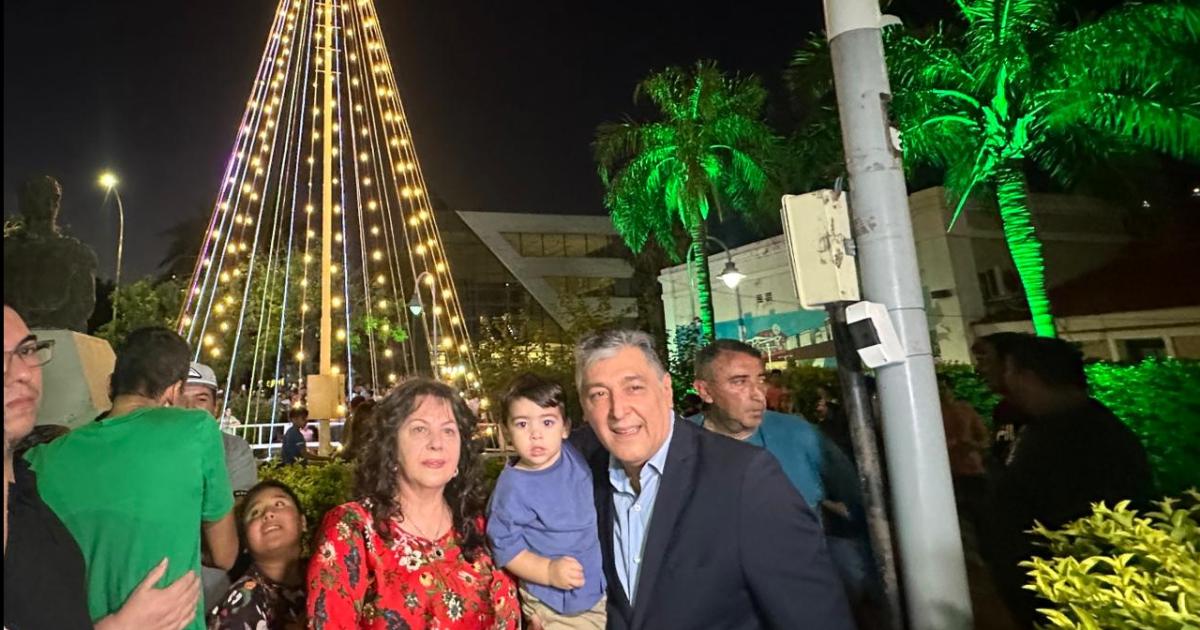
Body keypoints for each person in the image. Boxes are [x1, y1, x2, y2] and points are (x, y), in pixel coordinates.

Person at [569, 329, 852, 629]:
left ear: (666, 390)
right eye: (599, 394)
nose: (619, 410)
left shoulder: (746, 479)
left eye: (634, 388)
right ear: (585, 408)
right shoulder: (581, 473)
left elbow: (815, 617)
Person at [25, 326, 239, 630]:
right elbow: (225, 554)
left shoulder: (41, 460)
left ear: (110, 385)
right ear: (174, 392)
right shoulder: (195, 430)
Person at [306, 378, 519, 628]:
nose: (437, 443)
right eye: (420, 429)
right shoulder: (353, 529)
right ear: (391, 447)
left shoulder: (482, 529)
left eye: (449, 431)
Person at [688, 340, 874, 614]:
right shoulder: (679, 447)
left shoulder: (799, 436)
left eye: (760, 380)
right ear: (704, 391)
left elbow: (862, 506)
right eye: (739, 382)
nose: (757, 394)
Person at [980, 335, 1152, 627]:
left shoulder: (1083, 436)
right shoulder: (1046, 427)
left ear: (1028, 375)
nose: (998, 377)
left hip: (1069, 596)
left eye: (1008, 370)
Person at [488, 374, 606, 629]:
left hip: (597, 589)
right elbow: (507, 549)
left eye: (548, 422)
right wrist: (548, 571)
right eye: (522, 424)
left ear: (565, 428)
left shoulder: (574, 453)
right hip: (554, 602)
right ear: (506, 431)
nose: (535, 434)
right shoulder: (512, 488)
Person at [181, 361, 259, 611]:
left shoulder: (234, 450)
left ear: (215, 407)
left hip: (215, 593)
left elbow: (237, 520)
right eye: (182, 399)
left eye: (201, 399)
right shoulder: (155, 452)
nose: (191, 408)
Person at [209, 480, 307, 630]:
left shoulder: (329, 573)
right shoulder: (241, 606)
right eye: (255, 513)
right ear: (245, 542)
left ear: (303, 522)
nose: (268, 513)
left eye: (279, 504)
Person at [971, 332, 1030, 465]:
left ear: (1010, 363)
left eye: (983, 361)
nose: (979, 369)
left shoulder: (1049, 413)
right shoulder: (1004, 410)